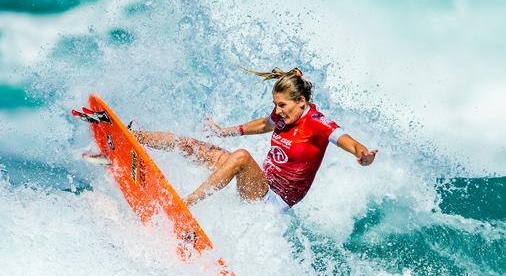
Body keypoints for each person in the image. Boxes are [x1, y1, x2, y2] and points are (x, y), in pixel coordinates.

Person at [132, 67, 377, 210]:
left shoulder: (316, 122)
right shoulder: (284, 115)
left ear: (302, 102)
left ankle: (184, 205)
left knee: (240, 157)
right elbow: (264, 124)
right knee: (198, 147)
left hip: (274, 202)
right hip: (261, 183)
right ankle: (133, 137)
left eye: (282, 105)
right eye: (275, 105)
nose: (278, 110)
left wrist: (362, 154)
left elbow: (346, 140)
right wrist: (223, 131)